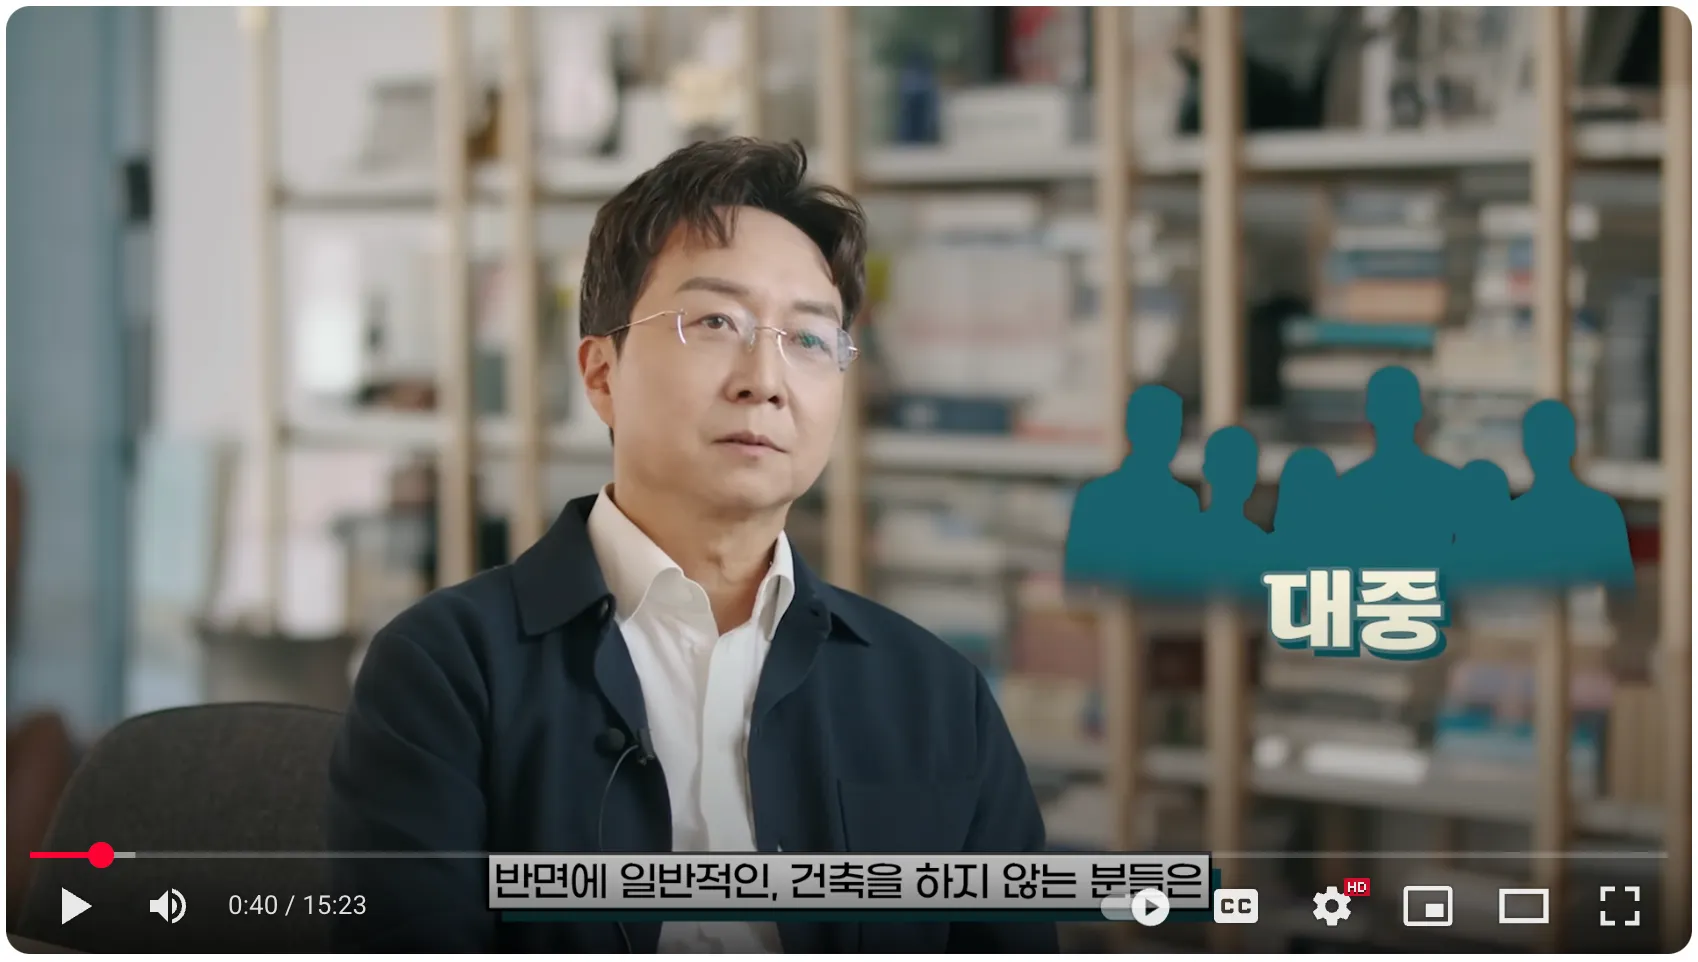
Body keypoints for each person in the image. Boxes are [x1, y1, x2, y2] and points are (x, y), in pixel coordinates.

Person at [326, 139, 1056, 954]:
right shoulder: (447, 672)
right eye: (715, 322)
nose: (764, 379)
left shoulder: (936, 697)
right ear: (601, 374)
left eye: (809, 339)